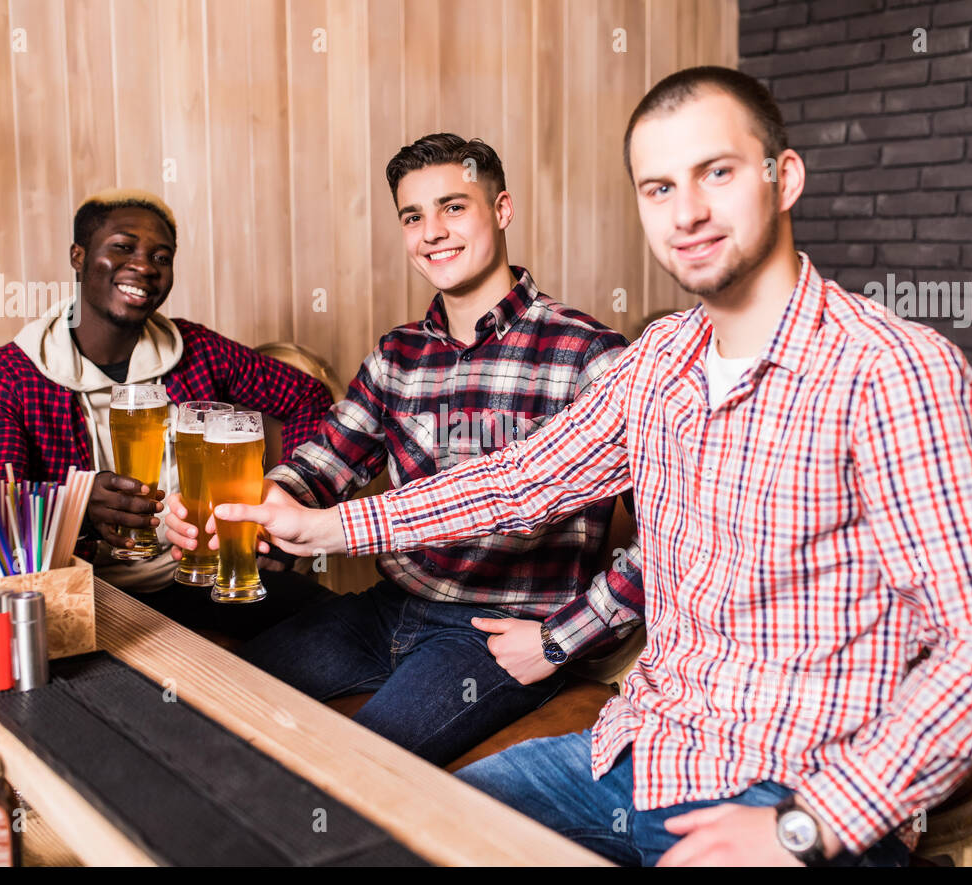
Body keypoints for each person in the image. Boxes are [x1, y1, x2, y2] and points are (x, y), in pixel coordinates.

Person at [218, 69, 972, 866]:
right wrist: (323, 521)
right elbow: (518, 480)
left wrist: (809, 825)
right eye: (659, 188)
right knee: (396, 838)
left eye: (716, 173)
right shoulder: (660, 360)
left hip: (791, 789)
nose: (686, 211)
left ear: (784, 176)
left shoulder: (893, 371)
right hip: (636, 754)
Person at [163, 134, 644, 765]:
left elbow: (669, 539)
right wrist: (248, 510)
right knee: (211, 703)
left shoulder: (590, 353)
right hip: (392, 607)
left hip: (492, 634)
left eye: (453, 207)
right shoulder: (398, 354)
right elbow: (322, 464)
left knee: (355, 770)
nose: (432, 232)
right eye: (413, 216)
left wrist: (559, 641)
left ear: (502, 210)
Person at [0, 188, 335, 637]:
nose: (144, 266)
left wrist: (287, 495)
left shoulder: (197, 350)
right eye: (123, 247)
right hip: (84, 593)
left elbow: (308, 398)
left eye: (162, 256)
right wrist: (75, 505)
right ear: (78, 256)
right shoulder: (6, 375)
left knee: (343, 632)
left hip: (199, 576)